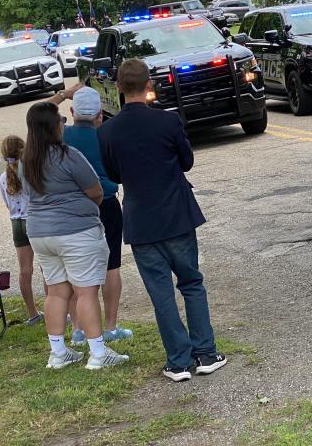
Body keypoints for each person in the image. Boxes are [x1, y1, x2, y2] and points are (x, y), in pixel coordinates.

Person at [99, 58, 226, 382]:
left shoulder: (108, 132)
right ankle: (206, 353)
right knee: (192, 283)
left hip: (141, 221)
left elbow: (114, 174)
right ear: (150, 85)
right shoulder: (168, 122)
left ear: (118, 88)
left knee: (161, 294)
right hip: (177, 215)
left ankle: (178, 361)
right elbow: (187, 161)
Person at [21, 100, 129, 370]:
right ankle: (98, 352)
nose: (63, 124)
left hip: (40, 233)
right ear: (52, 126)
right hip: (75, 231)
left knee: (57, 291)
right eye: (60, 120)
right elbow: (95, 191)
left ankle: (58, 352)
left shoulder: (26, 161)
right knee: (86, 292)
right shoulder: (68, 155)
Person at [60, 87, 132, 343]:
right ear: (100, 114)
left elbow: (38, 115)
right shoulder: (106, 136)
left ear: (72, 112)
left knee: (74, 268)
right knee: (111, 265)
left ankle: (78, 328)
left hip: (73, 208)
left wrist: (61, 94)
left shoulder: (62, 135)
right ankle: (110, 325)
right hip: (108, 203)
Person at [0, 135, 42, 325]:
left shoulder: (3, 178)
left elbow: (7, 204)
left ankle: (32, 313)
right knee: (47, 267)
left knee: (25, 271)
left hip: (16, 223)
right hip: (33, 219)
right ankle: (55, 307)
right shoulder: (31, 173)